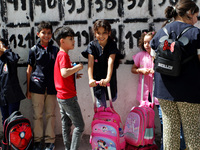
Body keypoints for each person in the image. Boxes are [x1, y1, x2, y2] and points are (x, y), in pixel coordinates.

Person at [150, 0, 200, 149]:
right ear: (189, 13)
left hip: (164, 90)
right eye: (196, 15)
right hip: (188, 92)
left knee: (170, 132)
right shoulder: (195, 33)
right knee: (192, 134)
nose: (197, 19)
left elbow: (153, 55)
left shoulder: (162, 31)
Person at [26, 21, 59, 150]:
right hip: (36, 88)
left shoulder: (55, 50)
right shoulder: (33, 50)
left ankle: (50, 142)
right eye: (43, 32)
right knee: (37, 115)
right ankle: (38, 141)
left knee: (50, 114)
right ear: (38, 34)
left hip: (51, 87)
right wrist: (28, 90)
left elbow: (59, 69)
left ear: (51, 34)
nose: (46, 35)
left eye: (49, 33)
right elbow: (29, 70)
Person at [53, 26, 85, 150]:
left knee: (66, 125)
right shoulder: (63, 55)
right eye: (70, 38)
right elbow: (64, 72)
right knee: (79, 126)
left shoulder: (60, 55)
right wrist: (78, 67)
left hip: (61, 96)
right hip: (68, 96)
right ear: (62, 41)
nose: (73, 41)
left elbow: (62, 74)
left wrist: (74, 75)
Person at [81, 19, 123, 108]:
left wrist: (107, 79)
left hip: (109, 76)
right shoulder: (92, 45)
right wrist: (90, 79)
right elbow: (90, 63)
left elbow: (110, 62)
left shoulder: (112, 44)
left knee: (113, 98)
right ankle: (102, 120)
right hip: (97, 78)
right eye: (98, 33)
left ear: (109, 33)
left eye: (104, 33)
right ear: (95, 33)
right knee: (100, 103)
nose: (101, 36)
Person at [0, 38, 25, 125]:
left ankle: (13, 138)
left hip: (13, 95)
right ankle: (7, 138)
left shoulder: (9, 57)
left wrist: (5, 50)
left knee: (13, 118)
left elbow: (15, 59)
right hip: (2, 97)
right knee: (5, 118)